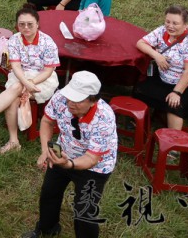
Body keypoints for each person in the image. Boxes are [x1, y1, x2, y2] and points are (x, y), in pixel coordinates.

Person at [21, 71, 117, 238]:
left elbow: (91, 158)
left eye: (78, 100)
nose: (71, 103)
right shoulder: (60, 98)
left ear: (93, 100)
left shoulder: (104, 118)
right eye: (70, 97)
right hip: (64, 152)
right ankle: (47, 229)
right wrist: (45, 151)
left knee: (84, 209)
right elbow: (47, 121)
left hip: (96, 167)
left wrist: (69, 164)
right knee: (49, 193)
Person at [0, 6, 61, 155]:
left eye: (30, 24)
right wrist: (26, 83)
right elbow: (16, 67)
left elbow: (48, 71)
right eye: (21, 24)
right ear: (17, 25)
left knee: (14, 91)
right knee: (15, 93)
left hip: (43, 79)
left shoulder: (47, 42)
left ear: (37, 24)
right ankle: (13, 141)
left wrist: (30, 82)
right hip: (20, 76)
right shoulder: (14, 40)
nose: (25, 28)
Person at [133, 6, 188, 130]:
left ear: (185, 24)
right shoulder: (162, 31)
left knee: (174, 104)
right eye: (167, 22)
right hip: (165, 77)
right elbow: (140, 43)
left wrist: (176, 92)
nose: (170, 26)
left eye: (175, 23)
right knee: (139, 89)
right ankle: (140, 125)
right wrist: (156, 55)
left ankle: (173, 141)